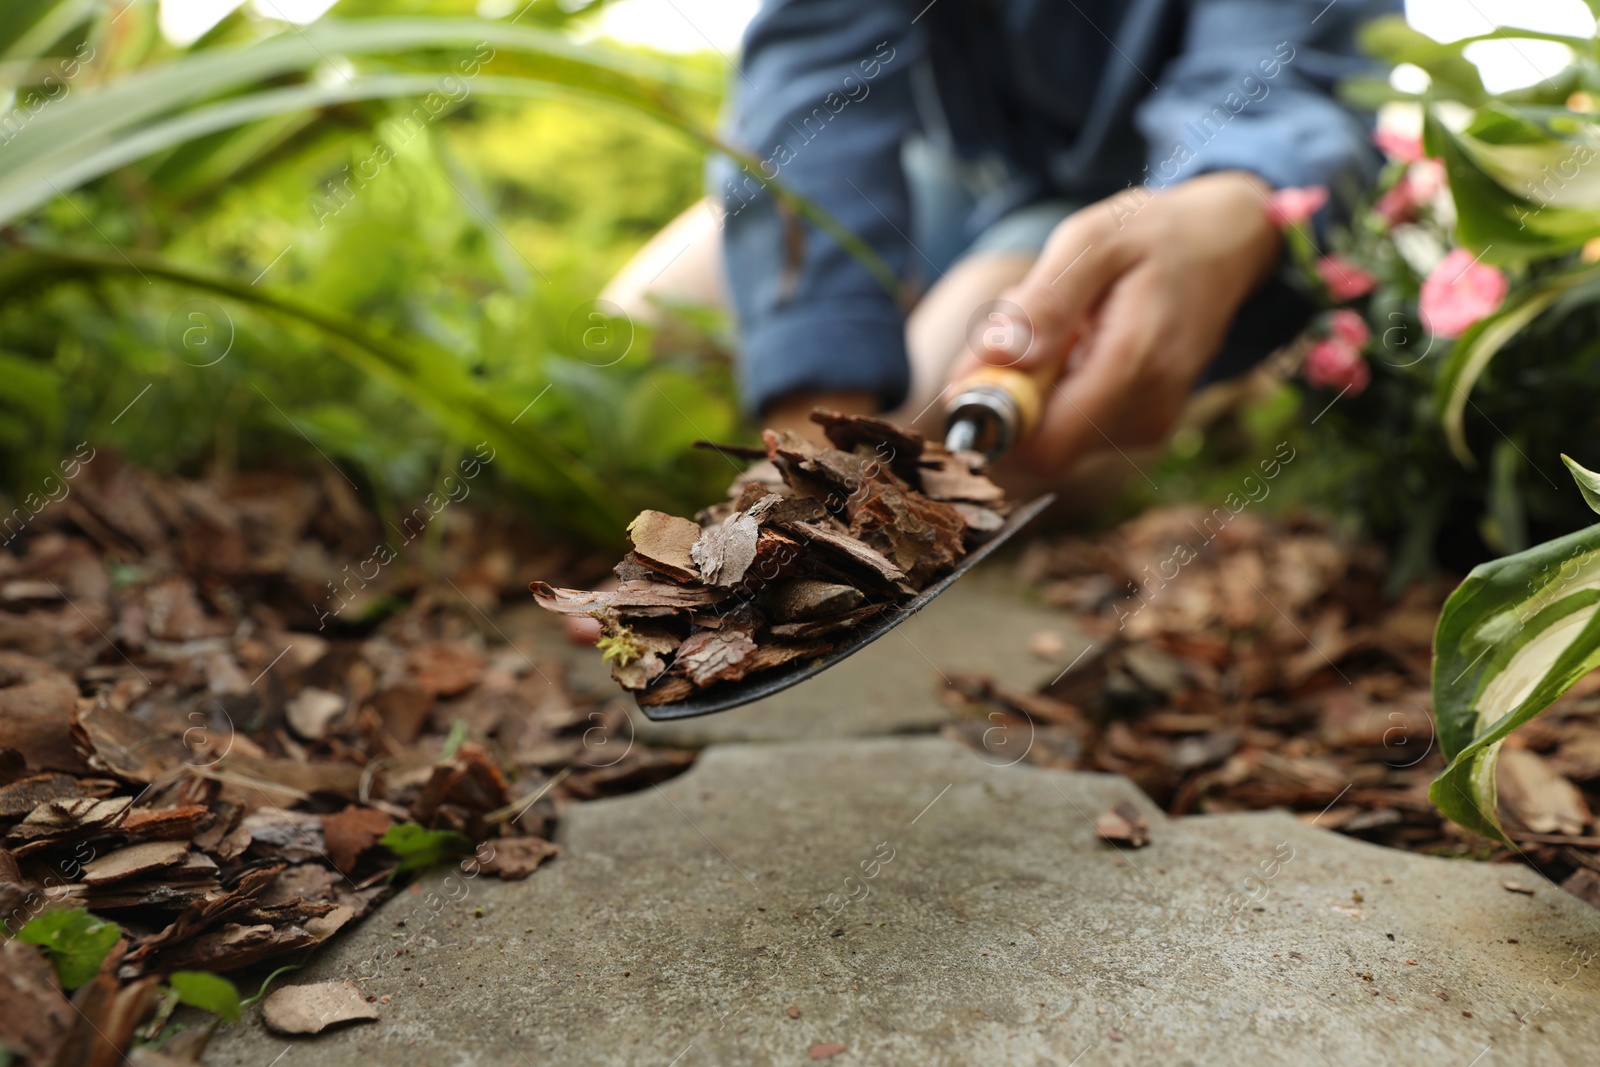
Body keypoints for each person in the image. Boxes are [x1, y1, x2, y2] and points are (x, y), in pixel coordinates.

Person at [601, 0, 1399, 495]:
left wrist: (1231, 211)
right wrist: (806, 418)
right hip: (946, 169)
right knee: (638, 330)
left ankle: (1226, 363)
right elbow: (812, 77)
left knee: (935, 422)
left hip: (1141, 201)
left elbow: (1282, 77)